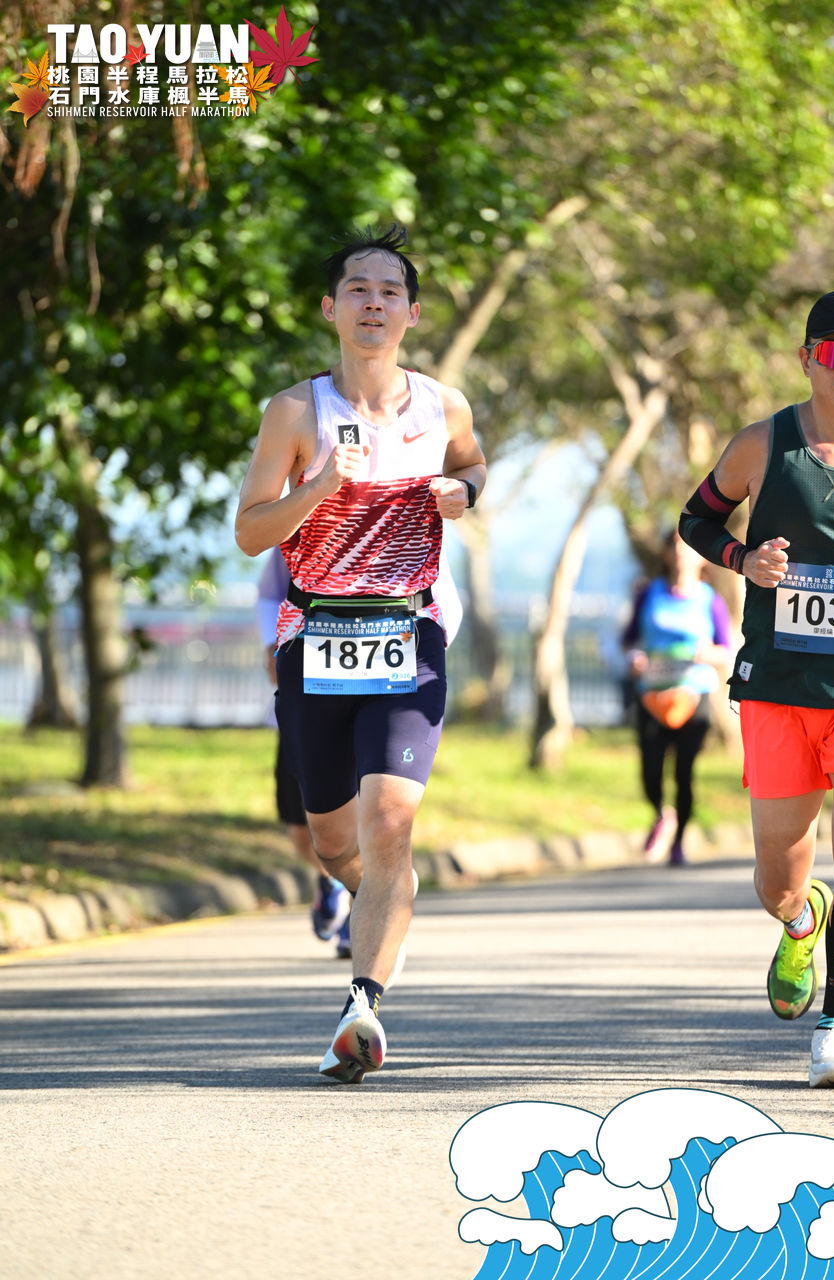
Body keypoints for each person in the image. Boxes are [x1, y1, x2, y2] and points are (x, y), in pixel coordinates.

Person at [234, 225, 486, 1084]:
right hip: (315, 639)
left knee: (389, 825)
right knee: (334, 843)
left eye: (389, 292)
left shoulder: (442, 406)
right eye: (357, 289)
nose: (372, 303)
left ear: (410, 314)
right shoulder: (294, 412)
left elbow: (473, 464)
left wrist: (463, 492)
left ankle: (361, 1005)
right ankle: (378, 899)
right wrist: (319, 487)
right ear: (330, 308)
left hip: (409, 633)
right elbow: (250, 533)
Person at [679, 288, 834, 1089]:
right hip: (778, 686)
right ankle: (800, 919)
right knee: (776, 880)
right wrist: (742, 559)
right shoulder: (763, 444)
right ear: (806, 360)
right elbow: (695, 520)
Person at [256, 548, 352, 956]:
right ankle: (332, 880)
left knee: (372, 818)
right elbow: (268, 594)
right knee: (302, 831)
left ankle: (359, 916)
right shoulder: (300, 527)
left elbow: (441, 598)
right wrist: (271, 646)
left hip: (374, 704)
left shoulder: (405, 522)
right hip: (304, 701)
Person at [622, 529, 732, 866]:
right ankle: (661, 813)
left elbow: (726, 651)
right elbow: (628, 640)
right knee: (650, 771)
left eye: (688, 547)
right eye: (674, 546)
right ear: (666, 553)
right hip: (652, 695)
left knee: (684, 773)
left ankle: (679, 841)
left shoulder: (710, 600)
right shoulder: (648, 593)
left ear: (701, 557)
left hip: (693, 695)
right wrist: (634, 659)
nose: (681, 552)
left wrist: (707, 654)